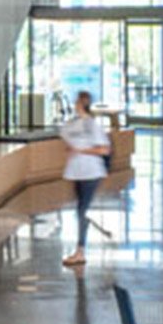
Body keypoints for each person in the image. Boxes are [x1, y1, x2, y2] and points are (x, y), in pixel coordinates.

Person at [59, 90, 111, 268]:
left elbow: (104, 149)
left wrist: (81, 151)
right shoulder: (75, 124)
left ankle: (80, 251)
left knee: (81, 209)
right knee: (81, 209)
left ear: (82, 104)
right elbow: (68, 138)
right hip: (77, 171)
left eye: (77, 101)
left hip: (91, 173)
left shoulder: (92, 126)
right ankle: (83, 233)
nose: (74, 104)